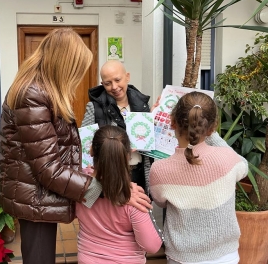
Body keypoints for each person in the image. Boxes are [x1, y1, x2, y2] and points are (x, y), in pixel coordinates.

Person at [0, 28, 152, 264]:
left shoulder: (39, 89)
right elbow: (50, 169)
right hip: (35, 197)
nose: (78, 76)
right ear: (65, 65)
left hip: (36, 194)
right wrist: (113, 190)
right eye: (78, 69)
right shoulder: (33, 94)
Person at [149, 92, 248, 264]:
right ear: (211, 128)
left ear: (172, 122)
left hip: (182, 257)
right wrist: (212, 135)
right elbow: (244, 168)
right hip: (226, 256)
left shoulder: (160, 169)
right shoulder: (227, 158)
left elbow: (160, 201)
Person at [76, 125, 163, 264]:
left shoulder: (78, 185)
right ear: (128, 155)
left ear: (91, 150)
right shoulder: (134, 197)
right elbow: (152, 246)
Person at [82, 60, 158, 193]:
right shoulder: (94, 108)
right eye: (108, 83)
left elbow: (149, 144)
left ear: (127, 77)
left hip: (139, 173)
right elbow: (85, 146)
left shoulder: (142, 105)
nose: (114, 87)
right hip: (109, 177)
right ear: (102, 84)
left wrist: (154, 120)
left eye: (118, 80)